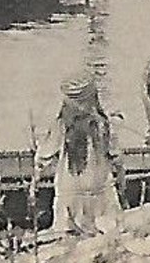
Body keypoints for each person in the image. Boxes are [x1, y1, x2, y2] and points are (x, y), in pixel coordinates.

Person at [34, 72, 124, 235]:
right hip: (100, 191)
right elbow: (116, 156)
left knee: (67, 235)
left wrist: (36, 178)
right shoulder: (103, 124)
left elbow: (44, 156)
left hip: (70, 193)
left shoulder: (61, 124)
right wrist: (121, 180)